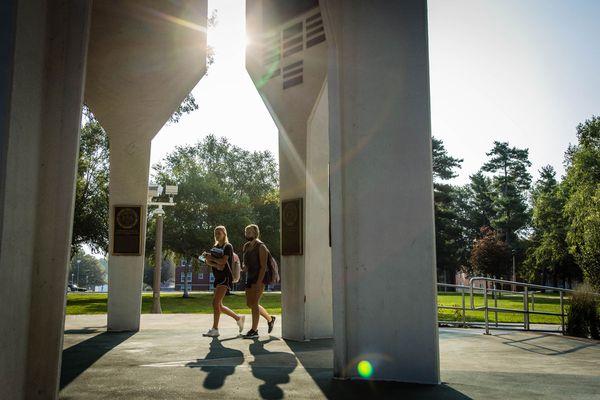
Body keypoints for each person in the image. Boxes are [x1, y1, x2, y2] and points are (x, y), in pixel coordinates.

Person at [202, 225, 245, 337]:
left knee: (215, 303)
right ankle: (238, 318)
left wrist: (212, 259)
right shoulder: (215, 246)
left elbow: (222, 262)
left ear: (224, 234)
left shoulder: (228, 247)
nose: (217, 235)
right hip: (218, 277)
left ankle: (215, 329)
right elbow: (212, 263)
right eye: (215, 233)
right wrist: (209, 259)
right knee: (219, 305)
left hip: (225, 277)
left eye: (219, 233)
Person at [241, 224, 275, 339]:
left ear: (255, 233)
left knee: (254, 303)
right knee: (249, 304)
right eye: (246, 232)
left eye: (249, 231)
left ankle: (254, 330)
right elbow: (245, 262)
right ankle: (270, 319)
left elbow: (263, 267)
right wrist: (244, 266)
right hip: (249, 277)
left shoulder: (261, 247)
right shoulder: (246, 246)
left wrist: (259, 282)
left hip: (259, 277)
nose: (247, 233)